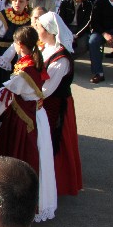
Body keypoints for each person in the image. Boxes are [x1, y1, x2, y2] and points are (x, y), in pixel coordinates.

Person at [0, 25, 56, 222]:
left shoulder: (24, 71)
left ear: (20, 45)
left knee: (21, 158)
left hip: (24, 121)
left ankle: (19, 205)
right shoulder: (32, 61)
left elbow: (2, 95)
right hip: (34, 115)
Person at [35, 12, 83, 196]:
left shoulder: (61, 58)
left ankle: (56, 182)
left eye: (39, 27)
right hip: (46, 101)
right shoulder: (46, 47)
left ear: (48, 31)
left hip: (55, 104)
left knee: (55, 141)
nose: (37, 30)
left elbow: (47, 89)